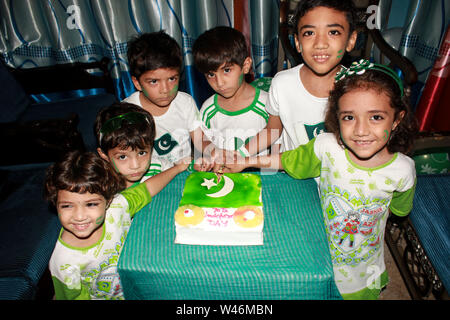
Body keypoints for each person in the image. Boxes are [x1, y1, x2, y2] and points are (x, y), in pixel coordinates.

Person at [221, 60, 418, 299]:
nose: (361, 130)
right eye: (349, 117)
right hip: (316, 260)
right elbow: (289, 160)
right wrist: (245, 162)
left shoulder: (403, 171)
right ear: (337, 117)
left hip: (363, 273)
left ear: (397, 119)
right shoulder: (326, 147)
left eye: (375, 117)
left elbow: (400, 209)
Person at [44, 150, 189, 300]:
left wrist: (178, 168)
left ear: (108, 201)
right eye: (67, 206)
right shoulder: (63, 261)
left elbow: (147, 188)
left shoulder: (117, 208)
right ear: (55, 204)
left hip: (135, 284)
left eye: (91, 204)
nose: (79, 216)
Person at [242, 0, 358, 156]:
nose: (320, 44)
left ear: (351, 40)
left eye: (333, 32)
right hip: (290, 175)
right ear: (297, 42)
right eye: (309, 33)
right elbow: (272, 130)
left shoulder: (360, 90)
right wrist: (238, 155)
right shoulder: (282, 84)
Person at [124, 31, 204, 175]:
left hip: (185, 174)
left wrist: (213, 153)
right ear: (137, 83)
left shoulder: (185, 102)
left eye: (172, 79)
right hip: (147, 177)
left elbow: (200, 141)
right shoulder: (127, 112)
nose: (165, 90)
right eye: (154, 81)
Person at [192, 26, 269, 163]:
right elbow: (202, 144)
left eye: (226, 70)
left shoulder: (267, 104)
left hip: (263, 179)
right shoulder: (208, 108)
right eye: (211, 74)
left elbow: (280, 148)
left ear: (245, 66)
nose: (219, 82)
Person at [95, 102, 162, 188]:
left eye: (142, 153)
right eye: (122, 157)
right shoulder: (101, 186)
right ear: (104, 155)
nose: (135, 166)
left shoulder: (159, 168)